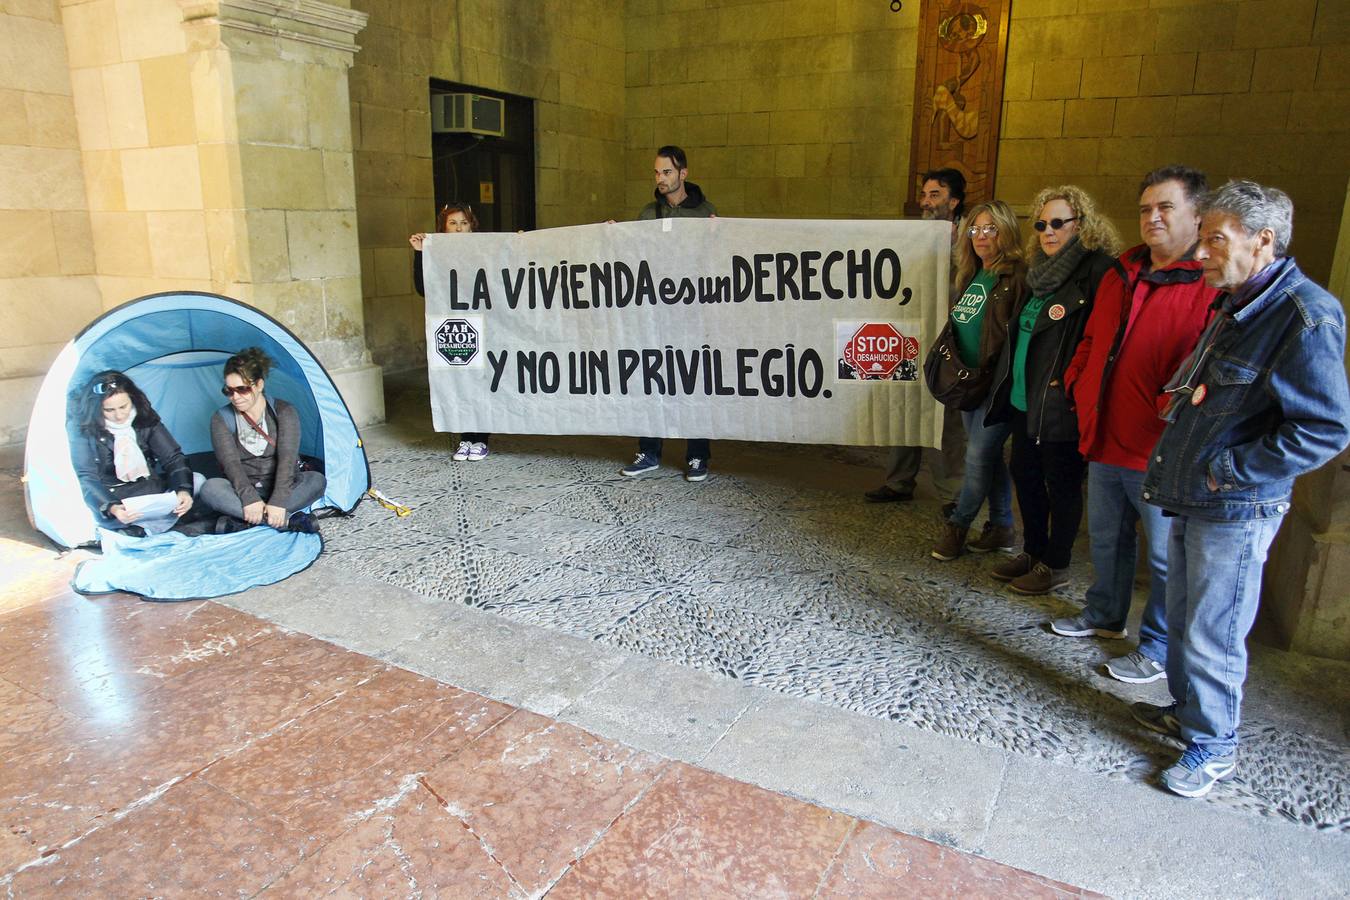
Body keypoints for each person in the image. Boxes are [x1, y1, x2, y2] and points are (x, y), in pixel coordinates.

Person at [1132, 181, 1350, 798]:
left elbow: (1326, 428)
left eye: (1214, 241)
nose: (1199, 254)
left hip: (1234, 503)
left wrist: (1224, 470)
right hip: (1196, 493)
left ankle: (1215, 744)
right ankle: (1189, 713)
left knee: (1212, 625)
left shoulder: (1304, 315)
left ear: (1263, 241)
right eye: (1201, 240)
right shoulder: (1237, 302)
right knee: (1181, 615)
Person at [1050, 166, 1218, 684]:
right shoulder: (1122, 272)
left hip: (1159, 449)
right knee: (1106, 538)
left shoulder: (1210, 285)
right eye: (1146, 208)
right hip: (1105, 436)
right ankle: (1103, 613)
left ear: (1196, 216)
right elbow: (1090, 339)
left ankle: (1158, 646)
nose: (1153, 218)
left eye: (1166, 207)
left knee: (1167, 561)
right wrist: (1078, 382)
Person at [985, 185, 1121, 595]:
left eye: (1059, 223)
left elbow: (1104, 337)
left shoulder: (1097, 272)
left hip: (1062, 402)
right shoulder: (1039, 273)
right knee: (1024, 474)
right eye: (1042, 224)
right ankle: (1033, 551)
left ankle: (1056, 563)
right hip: (1027, 399)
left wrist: (1075, 381)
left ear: (1082, 224)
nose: (1048, 231)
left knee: (1060, 483)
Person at [929, 200, 1026, 560]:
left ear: (1006, 232)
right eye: (976, 230)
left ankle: (958, 526)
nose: (981, 237)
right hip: (970, 383)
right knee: (988, 459)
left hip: (996, 386)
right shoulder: (971, 274)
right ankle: (1001, 527)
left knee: (978, 457)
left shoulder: (1016, 277)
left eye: (990, 229)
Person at [866, 168, 967, 505]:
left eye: (935, 195)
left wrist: (953, 247)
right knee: (905, 407)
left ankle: (952, 492)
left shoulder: (969, 237)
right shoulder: (913, 235)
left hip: (949, 340)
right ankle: (898, 481)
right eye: (924, 195)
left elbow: (966, 282)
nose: (926, 202)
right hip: (910, 333)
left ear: (954, 201)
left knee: (945, 418)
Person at [620, 145, 716, 482]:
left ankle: (697, 456)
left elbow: (715, 260)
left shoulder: (705, 213)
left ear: (683, 174)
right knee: (651, 378)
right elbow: (632, 255)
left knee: (695, 381)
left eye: (667, 172)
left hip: (692, 313)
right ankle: (648, 452)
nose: (660, 179)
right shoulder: (648, 214)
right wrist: (609, 238)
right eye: (657, 172)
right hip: (654, 312)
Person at [199, 348, 327, 534]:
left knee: (317, 480)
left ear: (259, 385)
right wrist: (249, 498)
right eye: (229, 391)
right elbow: (230, 465)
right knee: (209, 489)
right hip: (244, 491)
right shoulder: (221, 419)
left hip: (285, 487)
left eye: (242, 389)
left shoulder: (284, 411)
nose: (235, 397)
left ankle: (245, 522)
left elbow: (287, 460)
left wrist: (278, 501)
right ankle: (289, 521)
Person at [71, 371, 201, 536]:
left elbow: (173, 458)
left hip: (150, 489)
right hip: (116, 498)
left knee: (197, 480)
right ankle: (151, 525)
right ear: (97, 408)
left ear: (132, 399)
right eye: (109, 410)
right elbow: (87, 476)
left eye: (123, 407)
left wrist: (183, 490)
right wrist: (112, 507)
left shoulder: (144, 418)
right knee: (84, 513)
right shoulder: (85, 429)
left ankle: (144, 526)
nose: (119, 415)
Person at [411, 202, 491, 462]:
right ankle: (466, 438)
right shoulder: (437, 254)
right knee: (460, 382)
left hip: (483, 324)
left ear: (472, 226)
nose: (458, 228)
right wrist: (420, 254)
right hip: (454, 328)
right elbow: (424, 288)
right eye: (453, 223)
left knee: (479, 382)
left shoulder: (485, 250)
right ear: (443, 228)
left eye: (464, 223)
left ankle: (481, 439)